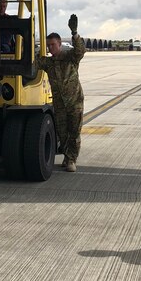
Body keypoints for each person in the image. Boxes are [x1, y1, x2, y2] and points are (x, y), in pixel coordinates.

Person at [36, 14, 85, 172]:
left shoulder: (70, 57)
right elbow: (34, 64)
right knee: (62, 133)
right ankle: (67, 156)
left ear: (59, 44)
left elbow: (80, 50)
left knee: (74, 132)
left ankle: (71, 160)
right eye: (48, 45)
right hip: (59, 105)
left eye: (53, 45)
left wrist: (74, 33)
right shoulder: (48, 62)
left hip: (74, 102)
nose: (50, 48)